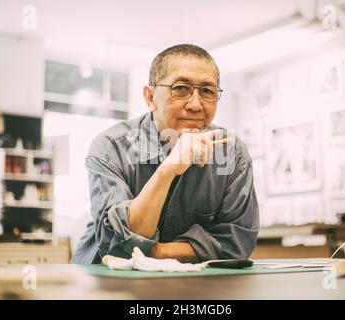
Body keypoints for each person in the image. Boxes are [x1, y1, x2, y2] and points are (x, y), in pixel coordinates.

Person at [71, 44, 259, 264]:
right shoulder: (111, 148)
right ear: (150, 97)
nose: (196, 104)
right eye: (180, 88)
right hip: (106, 285)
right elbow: (118, 248)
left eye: (207, 91)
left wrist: (156, 252)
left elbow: (236, 244)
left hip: (193, 287)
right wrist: (167, 169)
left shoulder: (232, 153)